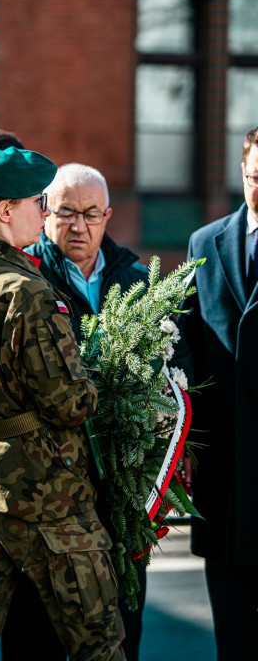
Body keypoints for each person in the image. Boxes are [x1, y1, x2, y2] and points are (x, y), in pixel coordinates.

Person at [0, 146, 125, 660]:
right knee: (98, 642)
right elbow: (70, 403)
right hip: (45, 494)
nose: (46, 210)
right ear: (7, 210)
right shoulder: (27, 291)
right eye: (39, 200)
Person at [25, 162, 148, 661]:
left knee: (120, 618)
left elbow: (175, 366)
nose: (79, 226)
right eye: (67, 213)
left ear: (108, 216)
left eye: (91, 215)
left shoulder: (137, 277)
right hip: (50, 483)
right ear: (45, 212)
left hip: (122, 482)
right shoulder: (24, 274)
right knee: (45, 627)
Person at [179, 127, 258, 659]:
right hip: (226, 481)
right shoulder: (204, 243)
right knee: (232, 639)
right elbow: (183, 347)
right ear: (242, 172)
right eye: (257, 177)